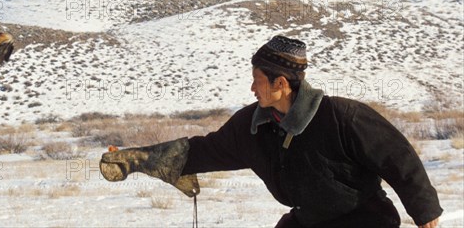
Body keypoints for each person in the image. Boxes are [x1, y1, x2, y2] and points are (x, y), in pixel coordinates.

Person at [100, 35, 443, 228]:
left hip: (365, 223)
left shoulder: (343, 116)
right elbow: (202, 150)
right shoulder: (252, 125)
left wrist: (425, 213)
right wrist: (137, 159)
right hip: (306, 223)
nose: (252, 88)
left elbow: (399, 158)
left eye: (257, 81)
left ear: (280, 83)